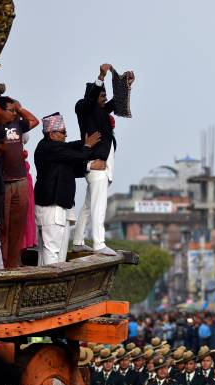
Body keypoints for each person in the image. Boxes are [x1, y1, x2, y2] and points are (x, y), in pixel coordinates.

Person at [72, 63, 134, 256]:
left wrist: (127, 85)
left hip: (103, 165)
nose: (104, 99)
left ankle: (78, 241)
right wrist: (101, 76)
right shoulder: (84, 107)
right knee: (99, 206)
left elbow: (117, 103)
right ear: (92, 95)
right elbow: (92, 100)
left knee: (88, 206)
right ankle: (99, 243)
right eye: (101, 95)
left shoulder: (99, 110)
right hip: (97, 165)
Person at [33, 113, 101, 265]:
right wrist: (87, 145)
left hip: (55, 205)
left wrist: (85, 142)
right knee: (52, 250)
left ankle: (46, 285)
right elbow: (79, 155)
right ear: (52, 134)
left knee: (51, 252)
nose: (66, 135)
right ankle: (49, 286)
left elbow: (71, 148)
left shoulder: (53, 148)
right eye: (63, 132)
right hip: (51, 206)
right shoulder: (50, 149)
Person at [0, 96, 38, 268]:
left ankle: (13, 264)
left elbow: (34, 120)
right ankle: (1, 264)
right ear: (1, 111)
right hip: (4, 182)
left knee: (18, 227)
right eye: (11, 110)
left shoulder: (18, 124)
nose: (15, 113)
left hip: (20, 180)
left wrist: (19, 108)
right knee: (3, 226)